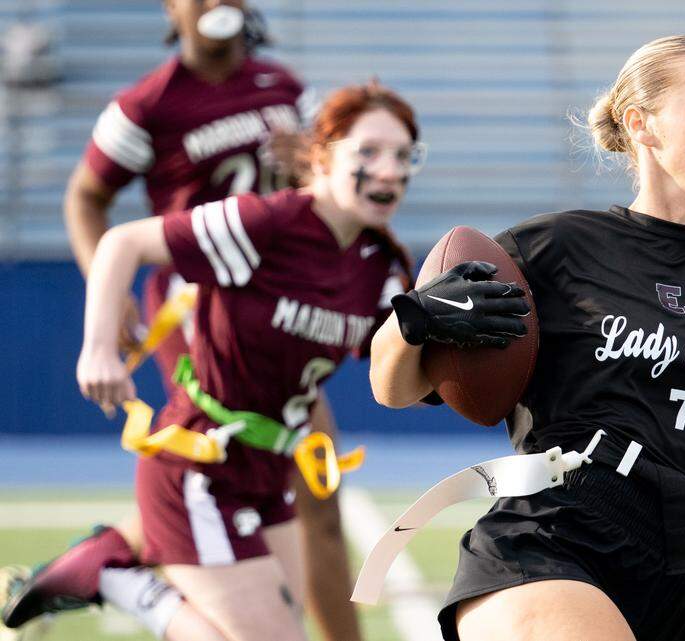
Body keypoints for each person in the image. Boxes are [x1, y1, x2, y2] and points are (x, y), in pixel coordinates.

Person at [367, 34, 685, 641]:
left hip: (681, 574)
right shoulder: (554, 248)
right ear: (643, 125)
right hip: (548, 543)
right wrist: (417, 319)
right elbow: (392, 388)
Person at [3, 81, 420, 641]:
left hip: (269, 473)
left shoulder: (380, 261)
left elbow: (394, 380)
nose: (389, 170)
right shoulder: (264, 224)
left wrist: (442, 327)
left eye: (403, 154)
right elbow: (121, 244)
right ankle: (121, 580)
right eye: (367, 152)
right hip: (199, 466)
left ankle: (111, 556)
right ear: (321, 156)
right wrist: (99, 346)